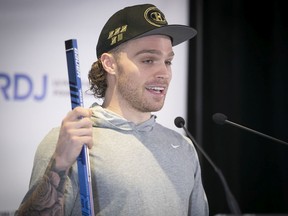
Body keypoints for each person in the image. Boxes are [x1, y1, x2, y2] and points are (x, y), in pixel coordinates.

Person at [16, 3, 209, 216]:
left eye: (168, 61)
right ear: (110, 64)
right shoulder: (72, 140)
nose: (164, 72)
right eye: (148, 60)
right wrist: (60, 163)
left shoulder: (183, 147)